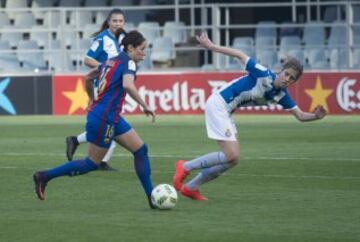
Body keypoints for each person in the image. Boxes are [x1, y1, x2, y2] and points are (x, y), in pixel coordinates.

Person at [173, 32, 327, 201]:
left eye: (292, 78)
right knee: (231, 155)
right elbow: (239, 54)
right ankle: (185, 166)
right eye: (287, 74)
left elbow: (300, 115)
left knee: (233, 160)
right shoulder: (263, 74)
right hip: (219, 104)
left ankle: (191, 187)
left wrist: (316, 116)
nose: (287, 79)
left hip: (227, 111)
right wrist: (211, 47)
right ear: (281, 71)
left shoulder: (282, 95)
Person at [33, 30, 157, 209]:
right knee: (91, 163)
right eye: (142, 49)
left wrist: (92, 99)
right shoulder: (129, 62)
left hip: (109, 116)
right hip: (104, 119)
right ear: (130, 48)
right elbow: (128, 85)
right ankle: (44, 176)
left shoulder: (110, 60)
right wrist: (144, 105)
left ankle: (152, 197)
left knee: (141, 150)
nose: (144, 53)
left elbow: (88, 78)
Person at [66, 8, 127, 171]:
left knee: (108, 125)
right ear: (109, 22)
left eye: (120, 21)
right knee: (110, 124)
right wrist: (105, 66)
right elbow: (87, 60)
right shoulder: (102, 39)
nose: (118, 24)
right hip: (103, 86)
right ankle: (99, 160)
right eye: (115, 21)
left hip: (114, 86)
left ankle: (77, 142)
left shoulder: (122, 38)